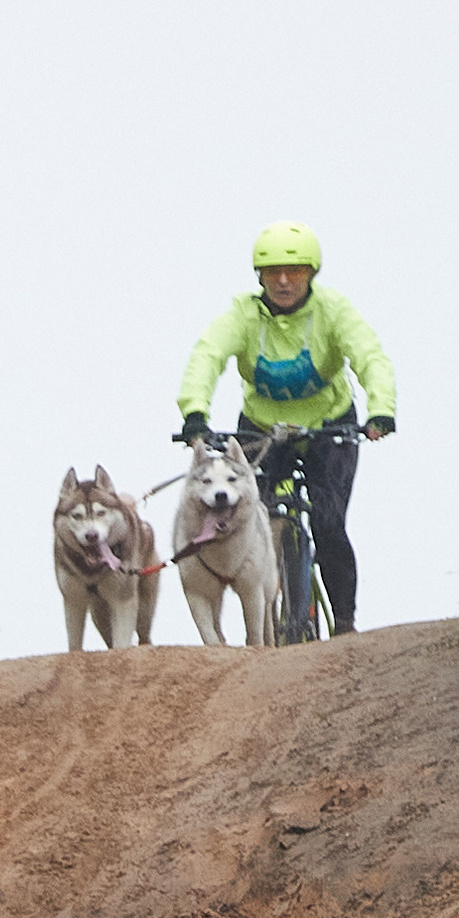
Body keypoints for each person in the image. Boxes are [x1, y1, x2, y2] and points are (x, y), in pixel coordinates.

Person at [176, 219, 396, 635]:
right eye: (271, 272)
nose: (282, 281)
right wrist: (195, 413)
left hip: (329, 428)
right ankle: (264, 607)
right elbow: (207, 355)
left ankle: (345, 625)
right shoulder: (244, 314)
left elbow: (369, 355)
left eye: (293, 272)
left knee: (328, 522)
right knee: (249, 515)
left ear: (311, 274)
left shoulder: (333, 311)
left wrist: (380, 410)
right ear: (258, 276)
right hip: (262, 428)